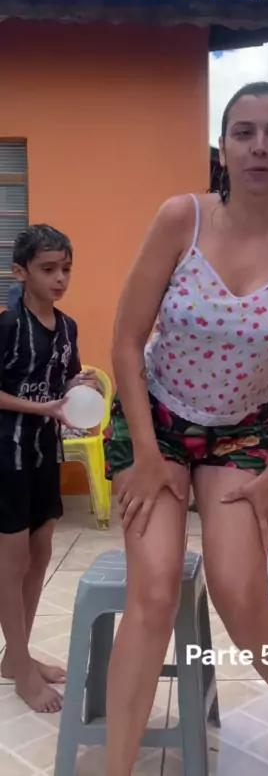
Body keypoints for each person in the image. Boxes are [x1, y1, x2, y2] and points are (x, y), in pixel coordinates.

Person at [103, 82, 268, 776]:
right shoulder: (181, 219)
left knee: (241, 594)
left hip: (242, 434)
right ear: (223, 148)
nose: (259, 147)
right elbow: (126, 340)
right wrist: (146, 453)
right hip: (154, 418)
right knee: (154, 591)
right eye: (244, 132)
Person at [0, 224, 96, 713]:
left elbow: (64, 381)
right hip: (7, 455)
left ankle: (14, 657)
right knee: (12, 562)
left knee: (40, 553)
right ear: (21, 273)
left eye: (66, 269)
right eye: (48, 269)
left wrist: (81, 387)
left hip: (44, 453)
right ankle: (21, 670)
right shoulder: (8, 327)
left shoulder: (68, 327)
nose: (60, 279)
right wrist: (44, 408)